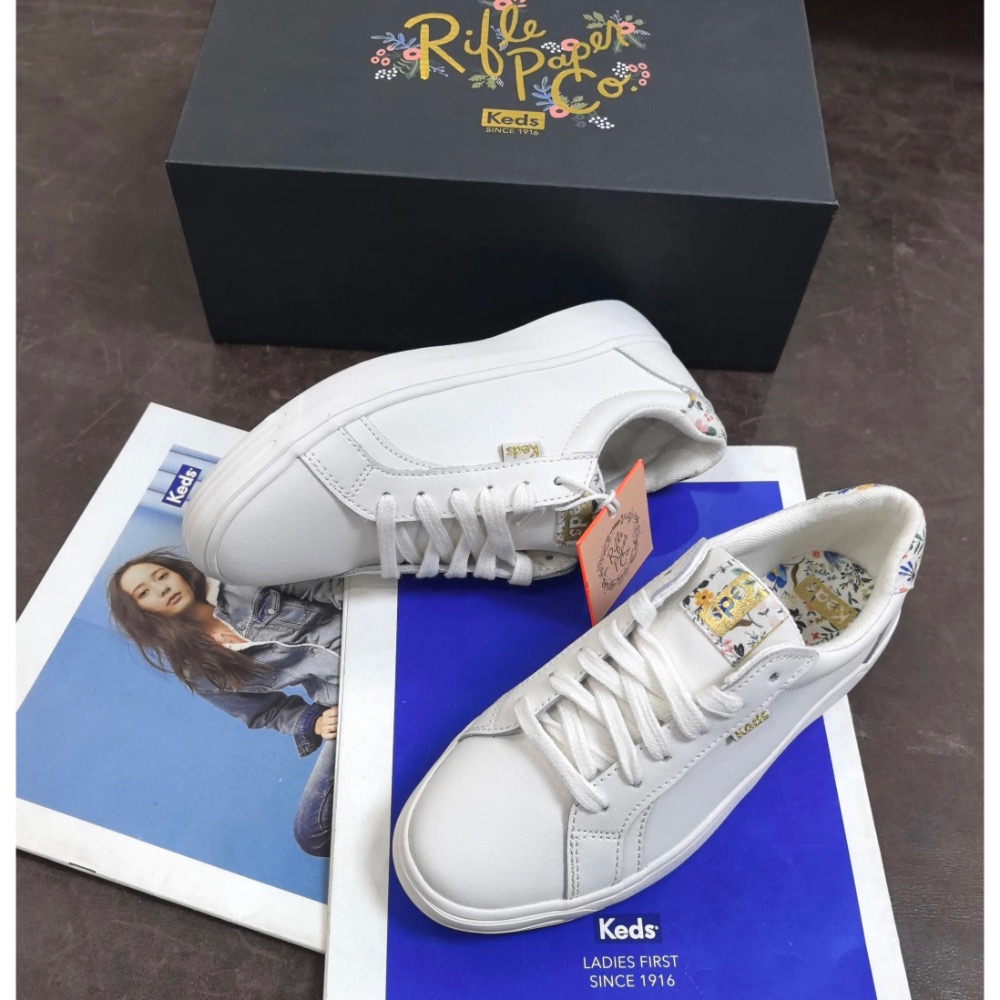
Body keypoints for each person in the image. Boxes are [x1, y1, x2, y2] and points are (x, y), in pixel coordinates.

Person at [107, 549, 343, 857]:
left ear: (178, 572)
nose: (162, 589)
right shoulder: (199, 670)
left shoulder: (238, 580)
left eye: (162, 575)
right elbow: (266, 712)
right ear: (141, 614)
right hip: (344, 698)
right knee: (312, 834)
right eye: (144, 593)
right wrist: (313, 722)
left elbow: (330, 588)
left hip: (370, 637)